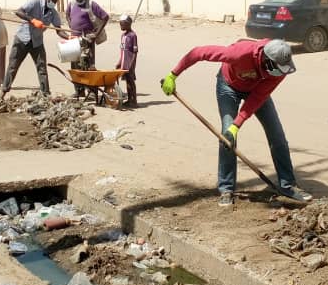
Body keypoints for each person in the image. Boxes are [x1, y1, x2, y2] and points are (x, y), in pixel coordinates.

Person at [161, 38, 313, 206]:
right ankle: (226, 188)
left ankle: (288, 185)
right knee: (227, 136)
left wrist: (238, 124)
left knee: (277, 135)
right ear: (266, 59)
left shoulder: (281, 69)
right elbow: (198, 52)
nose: (278, 71)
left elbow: (257, 98)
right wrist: (173, 74)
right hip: (228, 86)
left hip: (255, 90)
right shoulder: (239, 53)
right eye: (276, 67)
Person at [1, 0, 67, 98]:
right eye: (51, 0)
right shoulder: (34, 3)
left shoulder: (53, 13)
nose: (53, 3)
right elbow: (19, 12)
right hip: (22, 39)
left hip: (37, 42)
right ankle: (3, 92)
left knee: (42, 68)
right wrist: (32, 20)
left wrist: (69, 37)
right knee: (13, 66)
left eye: (55, 2)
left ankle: (46, 94)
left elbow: (58, 30)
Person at [66, 0, 109, 98]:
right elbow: (67, 15)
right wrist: (71, 26)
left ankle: (92, 92)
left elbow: (105, 17)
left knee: (88, 65)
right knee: (75, 66)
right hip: (74, 40)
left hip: (87, 41)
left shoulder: (91, 4)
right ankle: (79, 91)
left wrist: (96, 34)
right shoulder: (71, 4)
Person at [114, 15, 138, 107]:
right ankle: (129, 99)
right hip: (124, 62)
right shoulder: (123, 36)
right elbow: (122, 51)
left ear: (128, 24)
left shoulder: (133, 35)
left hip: (130, 63)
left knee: (131, 81)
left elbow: (135, 52)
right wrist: (119, 62)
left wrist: (132, 64)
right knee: (127, 81)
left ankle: (134, 100)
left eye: (122, 24)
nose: (120, 26)